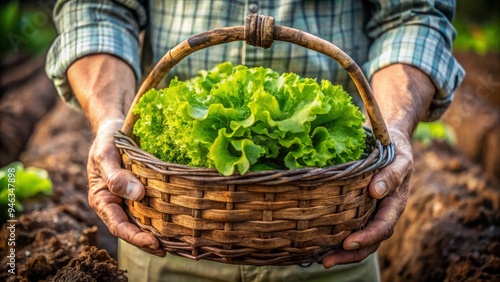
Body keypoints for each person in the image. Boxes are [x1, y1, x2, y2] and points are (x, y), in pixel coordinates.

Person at [46, 1, 464, 281]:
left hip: (329, 230)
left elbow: (413, 13)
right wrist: (111, 122)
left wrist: (391, 132)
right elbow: (96, 8)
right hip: (167, 229)